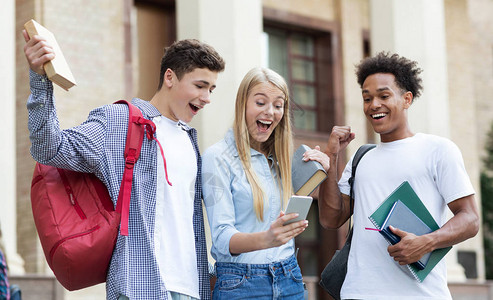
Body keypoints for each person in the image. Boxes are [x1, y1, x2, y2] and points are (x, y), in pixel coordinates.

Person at [23, 31, 225, 300]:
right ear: (169, 78)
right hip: (139, 287)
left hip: (192, 289)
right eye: (200, 86)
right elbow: (49, 148)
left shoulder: (190, 141)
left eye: (211, 89)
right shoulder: (120, 121)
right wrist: (39, 79)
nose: (207, 97)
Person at [319, 52, 479, 299]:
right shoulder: (361, 158)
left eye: (384, 96)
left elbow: (470, 219)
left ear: (406, 99)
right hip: (359, 292)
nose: (374, 105)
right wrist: (331, 158)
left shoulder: (438, 150)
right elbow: (331, 219)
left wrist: (427, 242)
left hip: (421, 294)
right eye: (367, 98)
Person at [202, 67, 329, 299]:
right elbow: (221, 239)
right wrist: (267, 239)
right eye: (260, 103)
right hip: (241, 284)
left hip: (289, 277)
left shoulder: (281, 159)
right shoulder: (217, 157)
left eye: (278, 105)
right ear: (243, 104)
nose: (270, 112)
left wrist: (322, 167)